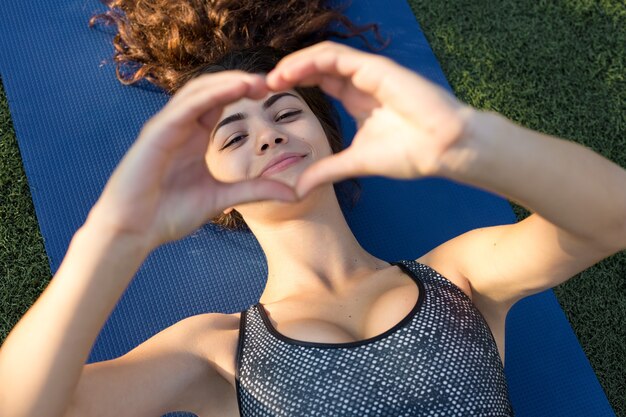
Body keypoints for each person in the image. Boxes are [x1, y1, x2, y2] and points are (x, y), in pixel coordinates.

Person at [1, 4, 625, 417]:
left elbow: (611, 218)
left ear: (327, 134)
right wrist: (116, 237)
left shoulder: (458, 276)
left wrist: (469, 142)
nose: (268, 136)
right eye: (234, 136)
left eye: (285, 113)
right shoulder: (215, 351)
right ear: (207, 182)